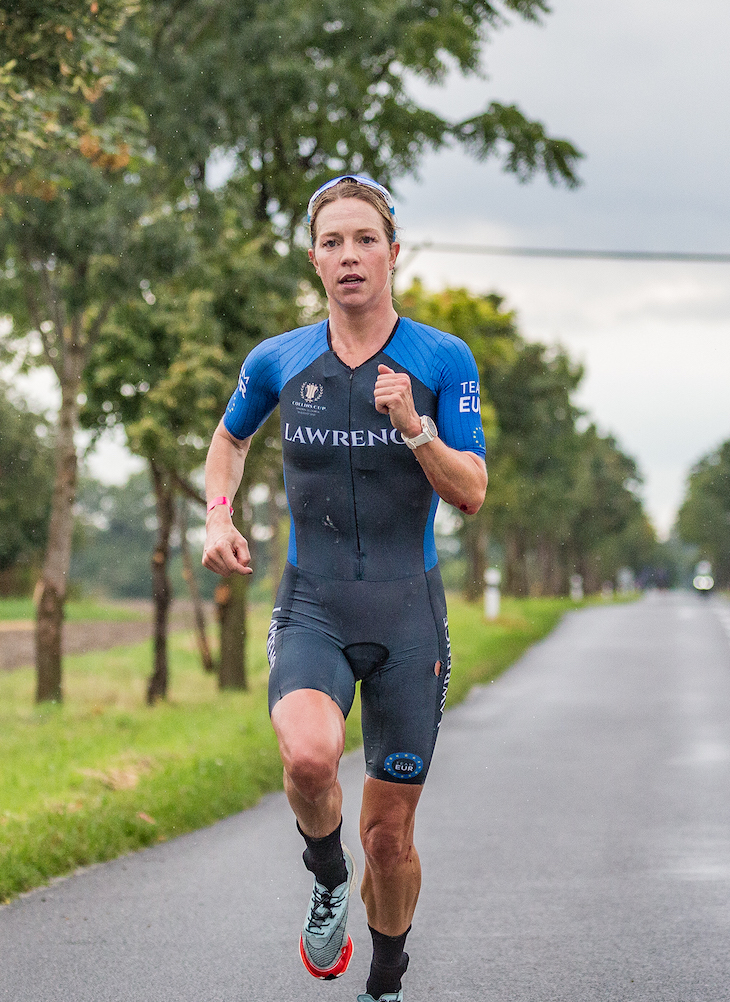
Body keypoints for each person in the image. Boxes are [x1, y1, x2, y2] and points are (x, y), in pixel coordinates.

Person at [203, 173, 488, 1002]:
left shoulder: (440, 359)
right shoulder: (279, 358)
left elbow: (470, 488)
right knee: (306, 755)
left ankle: (387, 978)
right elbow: (228, 442)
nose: (350, 256)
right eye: (333, 242)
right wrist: (218, 515)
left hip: (408, 614)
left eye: (366, 240)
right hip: (314, 604)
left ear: (394, 253)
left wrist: (416, 429)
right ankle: (327, 875)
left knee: (390, 836)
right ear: (315, 258)